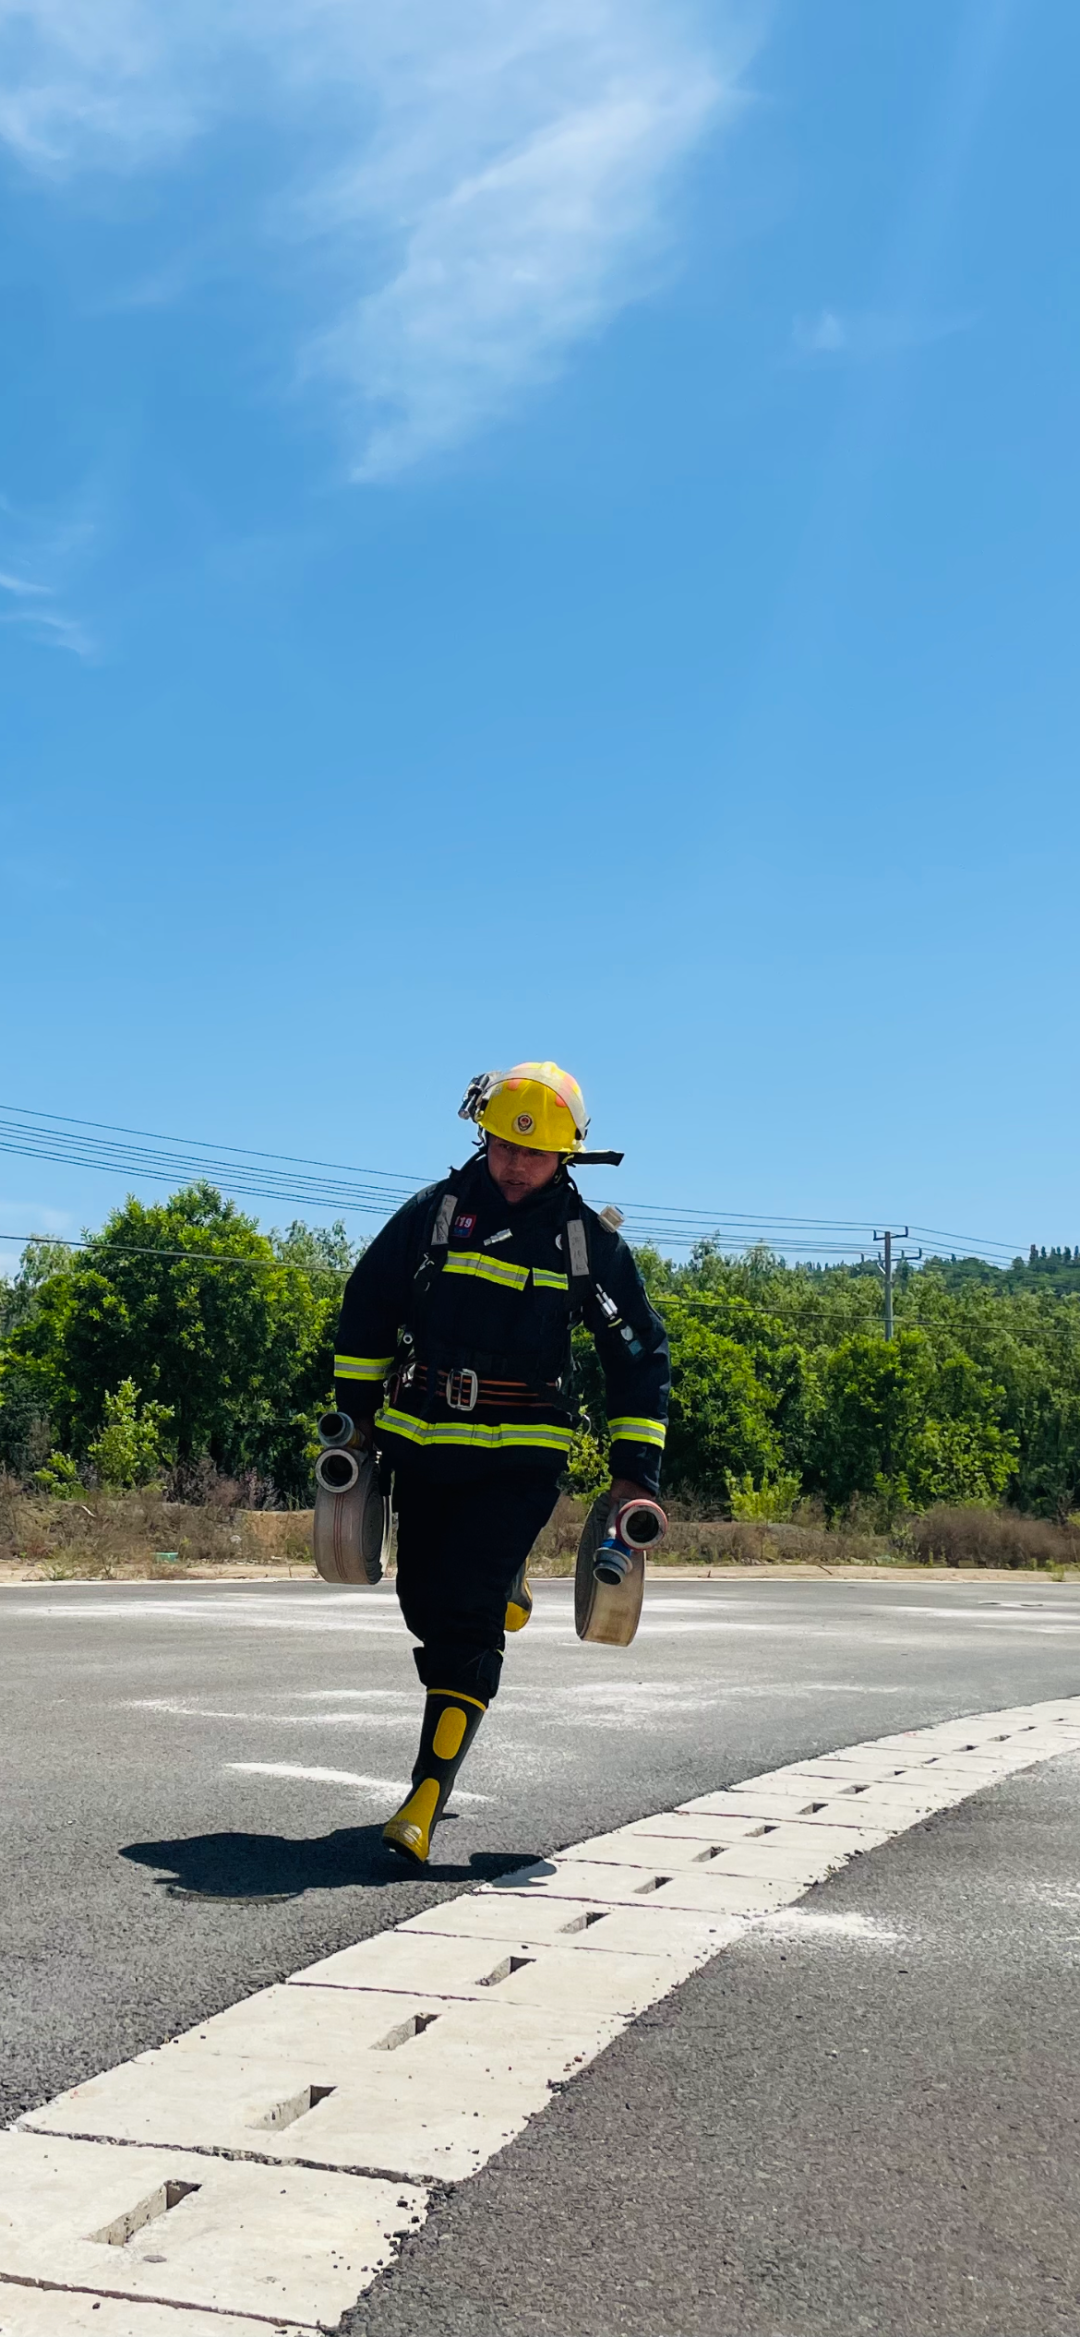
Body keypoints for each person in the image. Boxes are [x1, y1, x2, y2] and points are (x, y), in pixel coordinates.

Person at [332, 1061, 670, 1864]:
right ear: (482, 1137)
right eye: (504, 1147)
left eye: (535, 1153)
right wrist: (354, 1420)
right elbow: (368, 1305)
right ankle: (504, 1584)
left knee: (466, 1615)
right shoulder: (435, 1215)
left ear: (566, 1157)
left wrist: (635, 1475)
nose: (516, 1165)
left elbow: (639, 1356)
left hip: (522, 1457)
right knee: (423, 1598)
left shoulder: (589, 1245)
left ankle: (424, 1795)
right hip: (424, 1442)